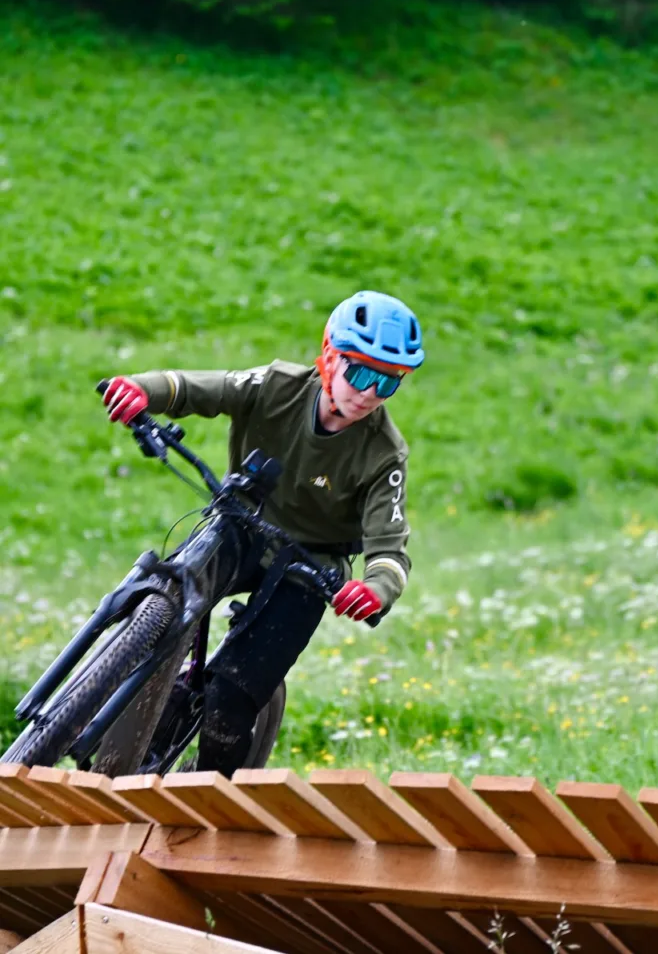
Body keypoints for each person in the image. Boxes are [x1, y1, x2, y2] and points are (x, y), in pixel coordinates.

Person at [101, 290, 424, 774]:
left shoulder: (384, 453)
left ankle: (211, 789)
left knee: (230, 699)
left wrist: (374, 589)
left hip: (310, 566)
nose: (369, 393)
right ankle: (87, 701)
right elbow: (200, 388)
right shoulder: (279, 385)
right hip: (242, 523)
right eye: (360, 372)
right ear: (328, 357)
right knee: (162, 593)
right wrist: (143, 390)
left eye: (388, 384)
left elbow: (390, 549)